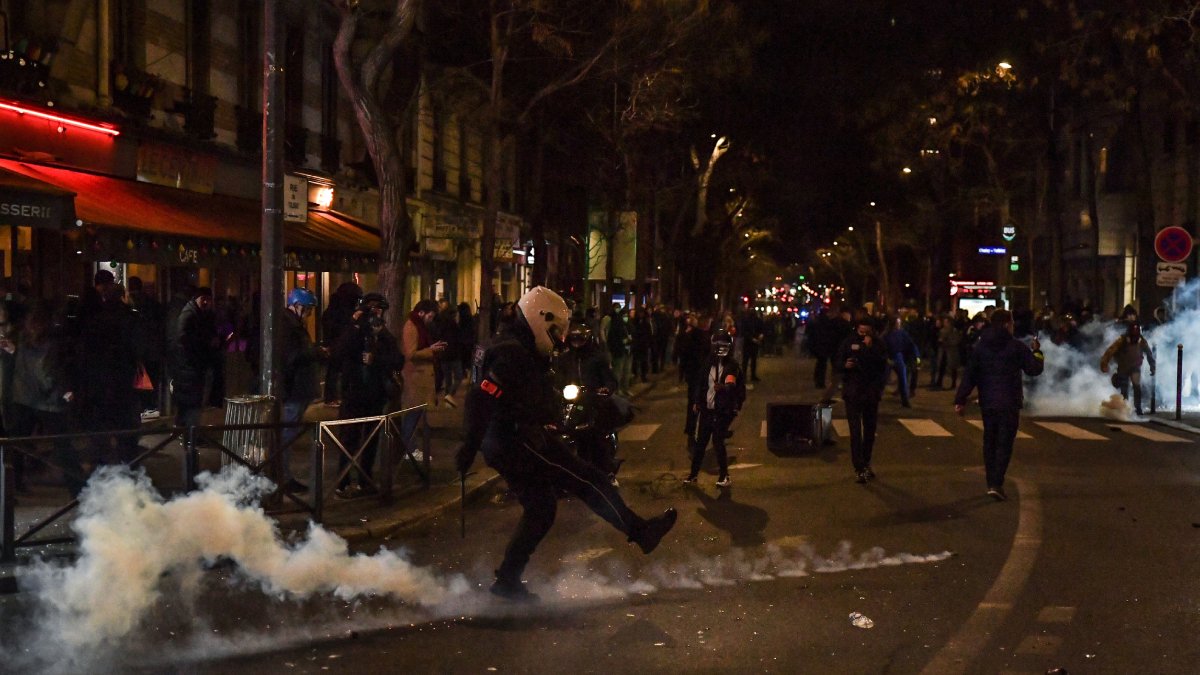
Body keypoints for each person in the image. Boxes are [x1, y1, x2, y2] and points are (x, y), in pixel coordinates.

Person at [455, 286, 677, 601]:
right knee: (588, 480)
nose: (559, 338)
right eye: (555, 329)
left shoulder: (508, 344)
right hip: (517, 438)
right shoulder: (511, 352)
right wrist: (468, 445)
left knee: (542, 508)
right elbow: (482, 395)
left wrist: (474, 443)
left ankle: (507, 580)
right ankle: (641, 532)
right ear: (539, 317)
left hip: (510, 438)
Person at [954, 309, 1045, 501]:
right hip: (1010, 402)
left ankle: (990, 483)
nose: (1013, 326)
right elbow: (1034, 369)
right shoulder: (1016, 347)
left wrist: (960, 399)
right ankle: (997, 483)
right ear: (1005, 324)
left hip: (988, 402)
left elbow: (970, 374)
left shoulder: (981, 346)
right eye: (1011, 323)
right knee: (1004, 443)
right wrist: (1037, 352)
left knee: (990, 441)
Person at [334, 293, 403, 497]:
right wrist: (355, 323)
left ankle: (365, 480)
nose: (376, 313)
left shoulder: (382, 333)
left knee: (371, 441)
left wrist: (377, 357)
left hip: (375, 394)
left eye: (379, 309)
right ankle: (342, 481)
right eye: (372, 308)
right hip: (353, 393)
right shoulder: (354, 329)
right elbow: (339, 352)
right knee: (349, 439)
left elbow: (398, 359)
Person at [79, 284, 140, 465]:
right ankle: (128, 468)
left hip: (99, 381)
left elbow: (86, 352)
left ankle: (101, 469)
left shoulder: (95, 319)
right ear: (122, 296)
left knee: (102, 429)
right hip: (124, 380)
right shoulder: (131, 318)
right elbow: (140, 348)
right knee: (126, 430)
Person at [683, 328, 745, 487]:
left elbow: (732, 383)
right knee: (701, 443)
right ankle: (693, 475)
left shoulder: (731, 365)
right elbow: (701, 384)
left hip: (722, 410)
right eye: (717, 345)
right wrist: (698, 401)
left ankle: (724, 475)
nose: (719, 349)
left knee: (717, 441)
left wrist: (724, 387)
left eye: (723, 345)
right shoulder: (708, 364)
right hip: (707, 409)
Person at [835, 317, 889, 483]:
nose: (864, 334)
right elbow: (837, 361)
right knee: (855, 431)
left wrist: (869, 348)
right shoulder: (848, 342)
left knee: (870, 430)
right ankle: (858, 466)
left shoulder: (878, 344)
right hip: (853, 391)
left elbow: (882, 366)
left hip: (871, 392)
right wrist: (845, 365)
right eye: (861, 331)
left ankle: (866, 462)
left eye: (867, 331)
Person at [279, 288, 321, 493]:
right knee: (286, 433)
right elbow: (291, 357)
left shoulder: (293, 324)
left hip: (298, 389)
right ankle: (283, 477)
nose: (310, 314)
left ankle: (283, 475)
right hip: (293, 390)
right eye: (308, 310)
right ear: (297, 306)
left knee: (289, 432)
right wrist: (313, 352)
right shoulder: (287, 325)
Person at [400, 299, 449, 446]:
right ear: (421, 313)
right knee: (412, 415)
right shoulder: (412, 326)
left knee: (416, 415)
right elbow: (411, 353)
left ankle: (411, 448)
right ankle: (409, 449)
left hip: (420, 377)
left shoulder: (419, 326)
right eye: (430, 316)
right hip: (415, 376)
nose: (431, 320)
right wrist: (431, 350)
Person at [170, 287, 220, 428]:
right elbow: (183, 339)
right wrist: (206, 342)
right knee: (192, 403)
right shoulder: (189, 314)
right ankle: (190, 436)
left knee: (187, 404)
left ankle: (183, 432)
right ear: (196, 298)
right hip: (189, 368)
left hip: (191, 367)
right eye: (203, 298)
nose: (206, 302)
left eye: (208, 299)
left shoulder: (199, 313)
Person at [320, 282, 363, 407]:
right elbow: (340, 327)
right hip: (338, 344)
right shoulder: (341, 311)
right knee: (336, 371)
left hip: (335, 343)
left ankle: (332, 396)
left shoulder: (333, 309)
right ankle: (333, 397)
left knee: (334, 371)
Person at [1100, 322, 1155, 415]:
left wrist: (1152, 366)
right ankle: (1124, 408)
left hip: (1135, 367)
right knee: (1124, 388)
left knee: (1137, 387)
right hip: (1123, 367)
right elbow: (1110, 351)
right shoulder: (1122, 340)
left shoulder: (1141, 341)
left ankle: (1138, 408)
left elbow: (1149, 354)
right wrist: (1104, 364)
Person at [884, 316, 920, 408]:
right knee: (883, 379)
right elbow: (882, 347)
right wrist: (886, 358)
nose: (899, 324)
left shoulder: (902, 333)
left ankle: (905, 400)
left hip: (898, 356)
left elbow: (911, 345)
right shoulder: (887, 334)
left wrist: (917, 356)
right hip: (889, 357)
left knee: (903, 379)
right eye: (897, 322)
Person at [433, 298, 462, 407]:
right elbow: (456, 340)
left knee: (448, 377)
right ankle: (449, 396)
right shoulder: (453, 325)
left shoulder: (441, 324)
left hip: (444, 354)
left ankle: (448, 397)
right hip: (453, 355)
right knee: (458, 376)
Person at [737, 309, 764, 382]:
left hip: (753, 342)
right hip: (748, 343)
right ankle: (745, 376)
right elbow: (744, 332)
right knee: (746, 360)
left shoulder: (756, 320)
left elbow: (761, 329)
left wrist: (761, 335)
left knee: (752, 360)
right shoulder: (746, 321)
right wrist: (752, 338)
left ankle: (752, 375)